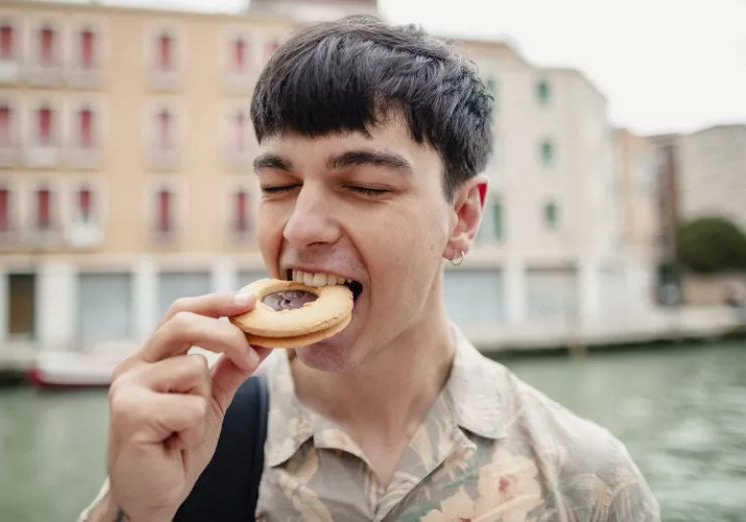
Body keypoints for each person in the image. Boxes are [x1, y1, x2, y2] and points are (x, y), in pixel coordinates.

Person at [79, 15, 660, 522]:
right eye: (277, 185)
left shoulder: (586, 482)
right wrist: (137, 514)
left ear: (461, 217)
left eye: (364, 185)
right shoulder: (193, 448)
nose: (300, 227)